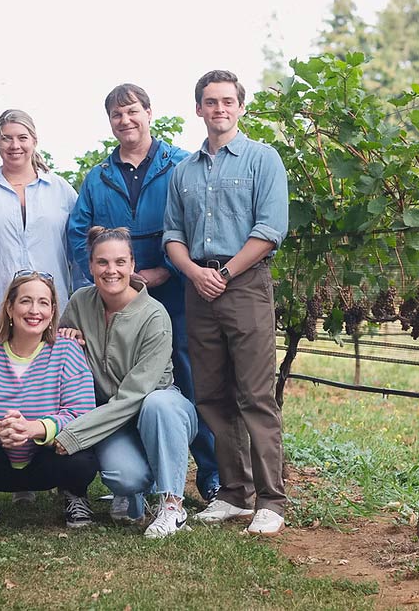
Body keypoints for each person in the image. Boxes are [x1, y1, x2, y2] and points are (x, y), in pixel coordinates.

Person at [66, 84, 220, 521]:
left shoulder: (179, 165)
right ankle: (138, 482)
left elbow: (194, 224)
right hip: (121, 288)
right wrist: (106, 278)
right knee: (116, 372)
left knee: (184, 381)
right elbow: (79, 234)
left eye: (132, 111)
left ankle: (209, 476)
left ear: (149, 113)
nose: (125, 120)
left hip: (173, 290)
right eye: (116, 115)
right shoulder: (98, 177)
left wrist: (169, 270)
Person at [163, 70, 289, 536]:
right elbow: (172, 235)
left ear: (240, 107)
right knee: (212, 395)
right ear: (198, 109)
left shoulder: (262, 160)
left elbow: (271, 229)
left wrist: (225, 273)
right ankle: (235, 494)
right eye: (210, 102)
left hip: (245, 284)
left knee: (255, 395)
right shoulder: (184, 172)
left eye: (227, 101)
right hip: (199, 287)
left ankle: (271, 500)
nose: (219, 109)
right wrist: (195, 273)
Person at [55, 227, 197, 539]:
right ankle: (133, 493)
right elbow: (54, 355)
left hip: (159, 410)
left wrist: (73, 435)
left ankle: (173, 505)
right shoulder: (80, 302)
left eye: (120, 262)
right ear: (90, 266)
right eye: (102, 262)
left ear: (132, 266)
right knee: (125, 476)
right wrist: (67, 339)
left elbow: (135, 395)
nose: (111, 270)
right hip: (114, 416)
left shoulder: (154, 316)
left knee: (157, 403)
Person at [0, 271, 98, 535]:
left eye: (43, 303)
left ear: (52, 312)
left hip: (46, 460)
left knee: (82, 451)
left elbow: (81, 412)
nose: (34, 310)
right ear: (10, 308)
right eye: (25, 301)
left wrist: (34, 429)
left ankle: (75, 496)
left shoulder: (67, 349)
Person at [0, 108, 78, 327]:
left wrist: (78, 308)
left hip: (52, 312)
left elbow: (79, 252)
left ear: (34, 141)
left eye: (22, 138)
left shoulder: (61, 191)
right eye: (7, 138)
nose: (15, 146)